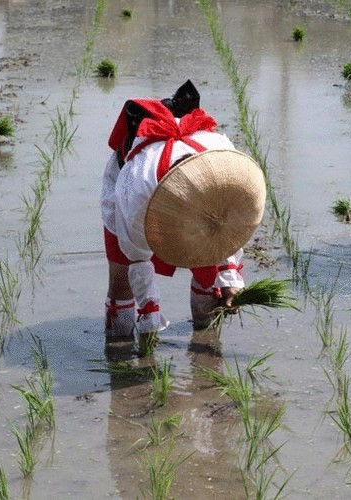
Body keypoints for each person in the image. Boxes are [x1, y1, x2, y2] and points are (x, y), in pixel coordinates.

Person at [100, 80, 265, 350]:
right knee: (121, 282)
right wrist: (149, 313)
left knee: (209, 272)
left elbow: (229, 223)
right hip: (134, 187)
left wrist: (230, 276)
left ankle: (205, 341)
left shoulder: (222, 161)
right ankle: (118, 351)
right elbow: (135, 258)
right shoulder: (137, 187)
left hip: (200, 181)